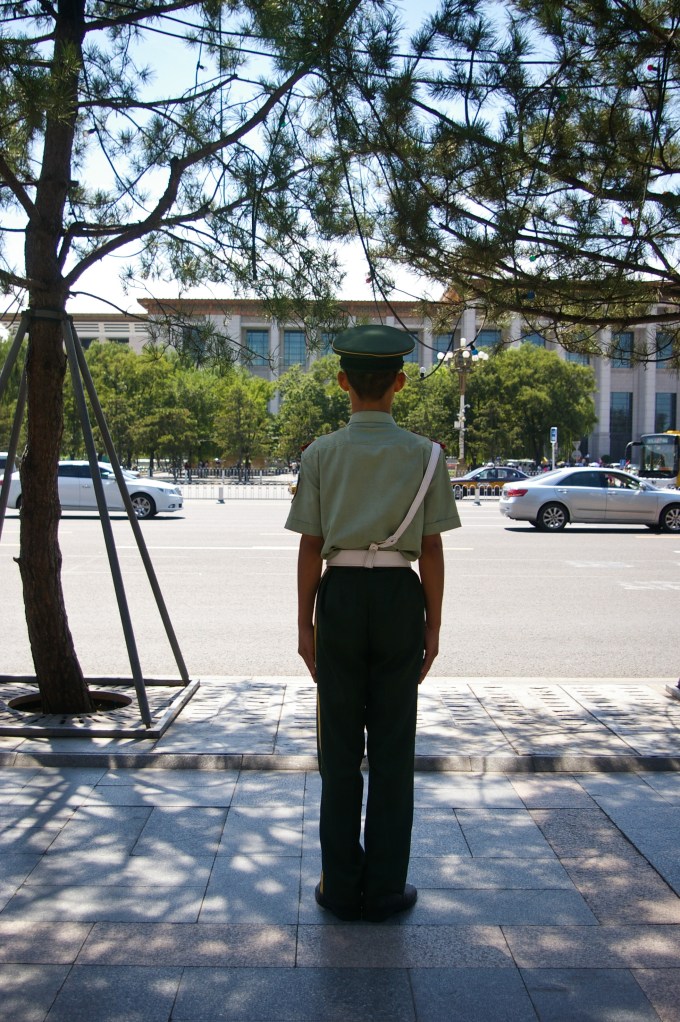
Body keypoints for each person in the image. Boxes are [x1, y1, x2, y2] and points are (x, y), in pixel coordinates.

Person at [284, 324, 461, 923]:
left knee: (337, 748)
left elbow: (311, 546)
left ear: (342, 383)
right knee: (392, 747)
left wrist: (306, 624)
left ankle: (339, 885)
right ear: (399, 383)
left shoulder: (319, 454)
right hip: (397, 597)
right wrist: (433, 624)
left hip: (338, 596)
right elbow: (431, 549)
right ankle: (385, 887)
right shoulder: (426, 454)